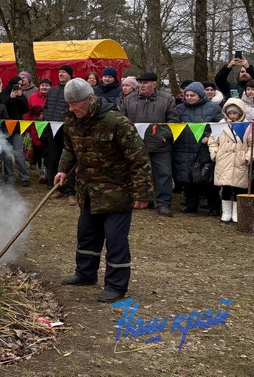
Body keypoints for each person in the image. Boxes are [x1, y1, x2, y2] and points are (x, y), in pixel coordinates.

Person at [55, 78, 153, 303]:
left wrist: (142, 193)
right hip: (88, 190)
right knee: (87, 234)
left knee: (115, 240)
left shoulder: (117, 122)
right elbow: (70, 149)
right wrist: (63, 170)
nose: (72, 109)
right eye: (69, 104)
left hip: (117, 191)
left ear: (90, 99)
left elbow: (139, 158)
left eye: (76, 104)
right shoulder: (72, 120)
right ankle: (85, 274)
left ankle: (116, 286)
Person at [120, 72, 180, 216]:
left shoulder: (167, 100)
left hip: (160, 145)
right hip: (135, 146)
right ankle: (139, 199)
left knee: (164, 175)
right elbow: (121, 120)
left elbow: (174, 121)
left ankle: (163, 203)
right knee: (134, 173)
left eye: (146, 83)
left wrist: (163, 136)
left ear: (154, 84)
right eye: (140, 83)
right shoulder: (128, 100)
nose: (142, 85)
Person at [172, 82, 222, 214]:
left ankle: (214, 207)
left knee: (207, 179)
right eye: (187, 95)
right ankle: (191, 205)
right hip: (183, 147)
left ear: (200, 95)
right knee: (187, 179)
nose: (189, 97)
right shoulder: (179, 108)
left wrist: (209, 135)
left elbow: (221, 125)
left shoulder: (213, 108)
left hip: (203, 148)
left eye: (192, 95)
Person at [209, 99, 254, 223]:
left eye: (234, 113)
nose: (232, 116)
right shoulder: (220, 125)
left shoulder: (247, 126)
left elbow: (253, 144)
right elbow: (213, 141)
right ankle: (226, 213)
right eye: (229, 113)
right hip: (224, 160)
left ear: (240, 113)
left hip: (240, 161)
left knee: (238, 188)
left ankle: (236, 213)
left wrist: (248, 157)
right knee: (225, 188)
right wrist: (214, 153)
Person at [43, 65, 76, 203]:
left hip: (67, 129)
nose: (61, 74)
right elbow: (46, 108)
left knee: (68, 159)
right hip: (52, 128)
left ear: (70, 75)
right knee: (53, 158)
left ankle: (70, 192)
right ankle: (56, 188)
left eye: (64, 72)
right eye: (60, 72)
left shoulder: (73, 89)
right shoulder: (52, 91)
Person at [0, 76, 31, 186]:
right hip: (5, 127)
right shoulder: (4, 93)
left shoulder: (21, 94)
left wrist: (20, 97)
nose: (18, 86)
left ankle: (24, 176)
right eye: (17, 84)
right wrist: (11, 98)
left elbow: (26, 109)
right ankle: (9, 176)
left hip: (18, 128)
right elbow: (3, 108)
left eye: (20, 84)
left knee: (18, 153)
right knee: (7, 154)